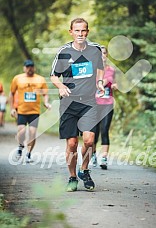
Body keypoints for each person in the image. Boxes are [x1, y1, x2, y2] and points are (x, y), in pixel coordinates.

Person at [50, 18, 104, 191]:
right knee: (72, 144)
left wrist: (100, 82)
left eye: (83, 31)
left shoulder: (95, 50)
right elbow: (53, 76)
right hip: (69, 103)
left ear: (87, 32)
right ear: (70, 32)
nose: (80, 34)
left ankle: (84, 170)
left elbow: (100, 67)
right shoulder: (64, 52)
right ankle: (72, 177)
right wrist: (61, 86)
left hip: (89, 101)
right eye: (77, 31)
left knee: (89, 140)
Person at [10, 59, 51, 163]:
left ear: (34, 68)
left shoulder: (40, 79)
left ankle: (28, 154)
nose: (30, 68)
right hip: (21, 110)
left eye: (31, 66)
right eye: (28, 67)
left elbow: (45, 93)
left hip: (34, 111)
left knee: (32, 134)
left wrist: (46, 103)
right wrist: (12, 108)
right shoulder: (17, 78)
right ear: (24, 68)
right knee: (21, 132)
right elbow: (12, 93)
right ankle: (20, 146)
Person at [92, 46, 117, 170]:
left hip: (107, 103)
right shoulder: (92, 70)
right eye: (100, 54)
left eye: (104, 53)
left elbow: (114, 82)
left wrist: (115, 85)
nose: (102, 56)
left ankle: (104, 158)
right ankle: (93, 155)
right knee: (94, 132)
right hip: (94, 104)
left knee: (105, 130)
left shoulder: (111, 70)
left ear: (107, 55)